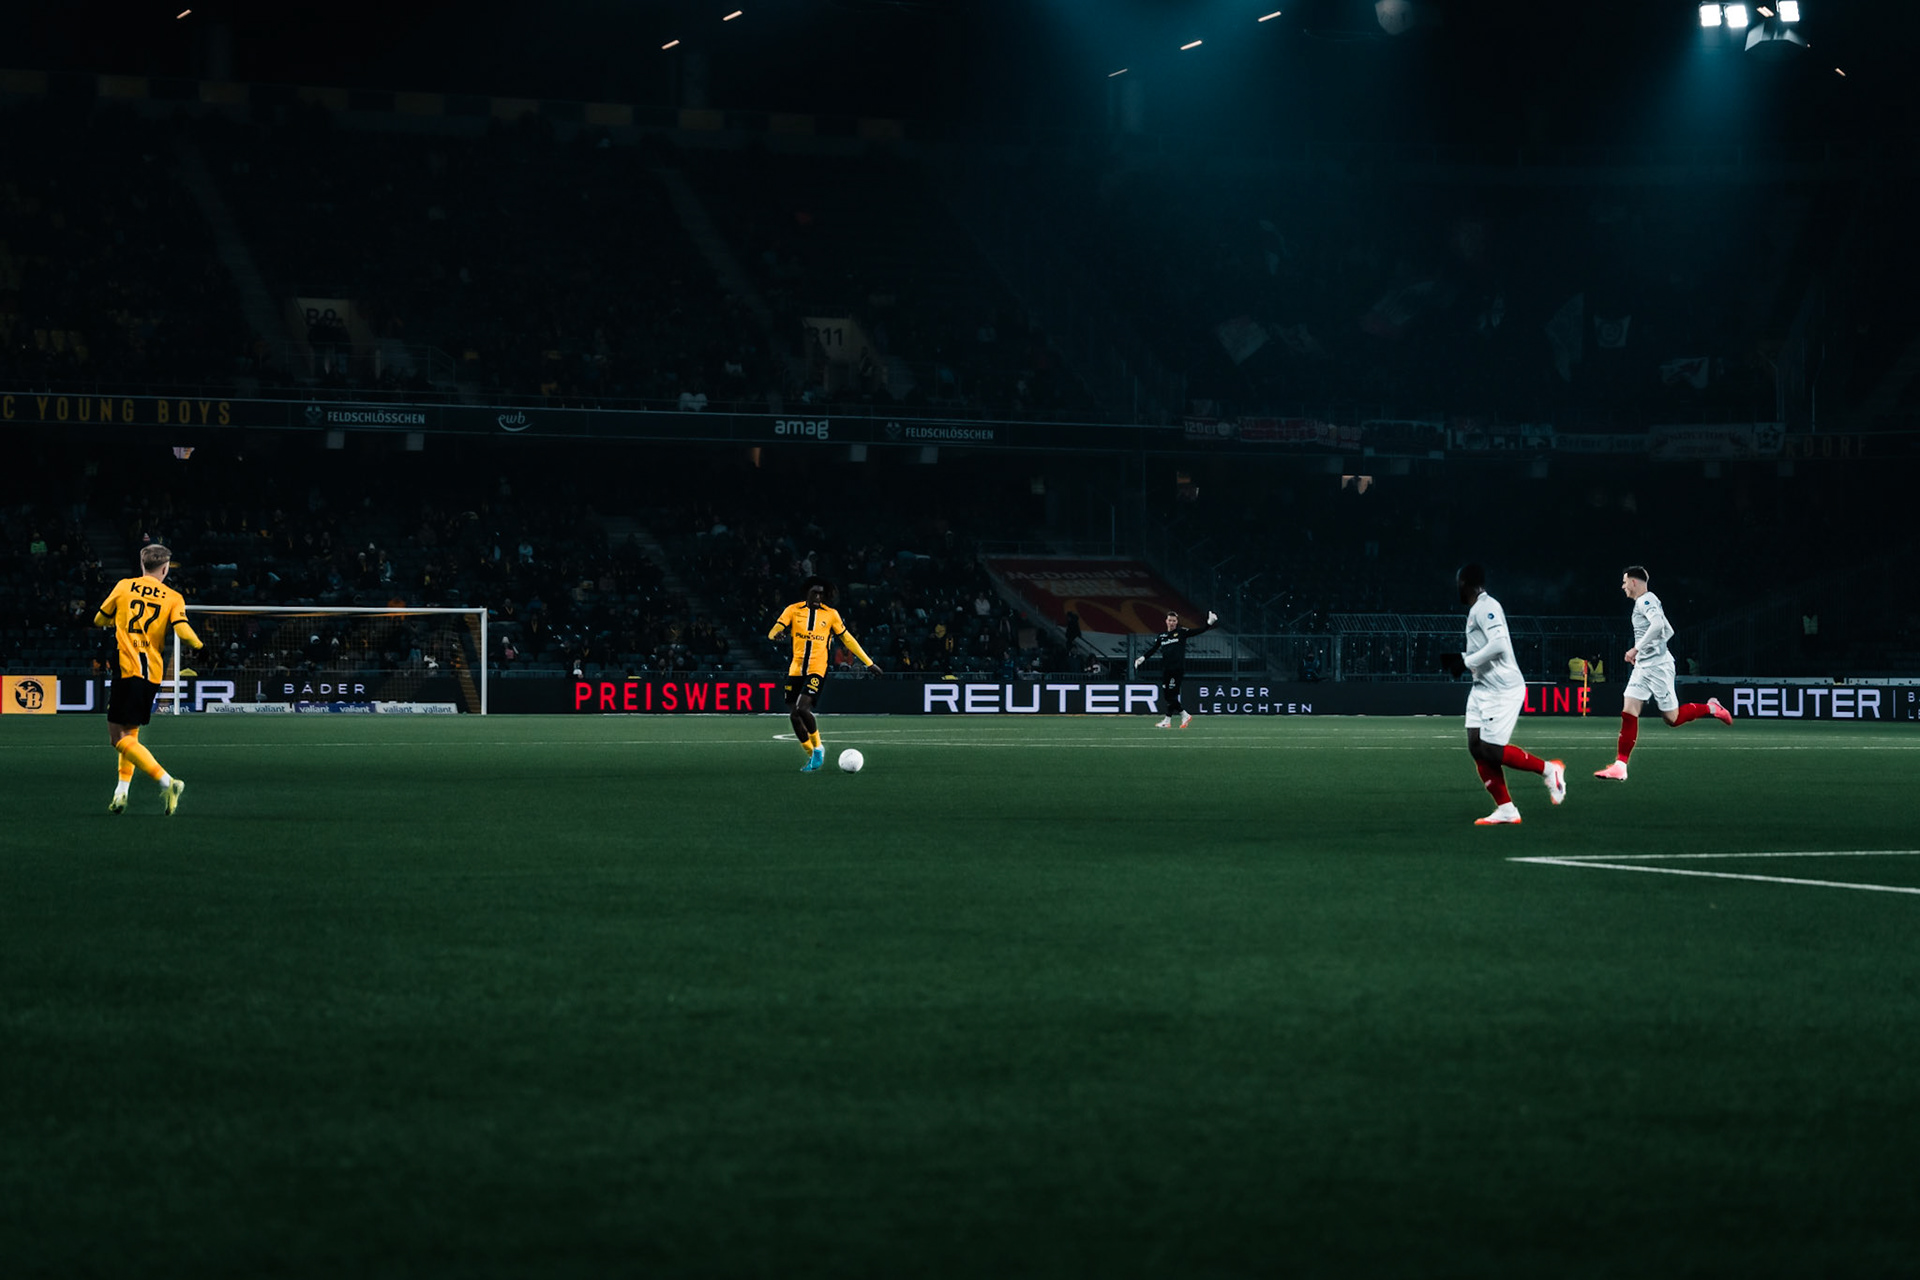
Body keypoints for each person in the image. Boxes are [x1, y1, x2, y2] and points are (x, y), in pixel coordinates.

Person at [1441, 564, 1565, 824]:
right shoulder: (1477, 609)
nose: (1457, 588)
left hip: (1502, 689)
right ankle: (1506, 809)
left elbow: (1498, 645)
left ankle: (1549, 770)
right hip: (1482, 687)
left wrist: (1465, 661)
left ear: (1466, 583)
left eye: (1458, 583)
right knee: (1476, 746)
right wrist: (1464, 658)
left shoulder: (1486, 606)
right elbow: (1487, 647)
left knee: (1492, 750)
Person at [94, 544, 203, 815]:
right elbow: (183, 630)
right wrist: (197, 643)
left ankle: (168, 781)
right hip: (152, 674)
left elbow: (99, 619)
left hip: (128, 668)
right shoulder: (174, 597)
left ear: (142, 565)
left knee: (116, 738)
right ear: (165, 569)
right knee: (130, 734)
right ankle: (121, 793)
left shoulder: (124, 586)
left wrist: (117, 621)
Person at [1594, 566, 1731, 781]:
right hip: (1643, 668)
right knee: (1629, 711)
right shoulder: (1646, 602)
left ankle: (1712, 707)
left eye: (1624, 582)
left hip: (1658, 669)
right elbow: (1668, 630)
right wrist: (1649, 650)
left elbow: (1658, 625)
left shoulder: (1646, 600)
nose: (1622, 586)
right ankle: (1621, 766)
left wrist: (1636, 649)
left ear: (1634, 582)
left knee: (1672, 719)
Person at [767, 576, 879, 773]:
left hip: (818, 668)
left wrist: (869, 663)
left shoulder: (831, 615)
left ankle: (818, 749)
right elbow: (774, 630)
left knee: (803, 708)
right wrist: (777, 634)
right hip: (796, 668)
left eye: (821, 593)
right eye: (814, 592)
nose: (818, 596)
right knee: (794, 716)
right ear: (807, 593)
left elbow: (848, 640)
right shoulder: (793, 610)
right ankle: (812, 754)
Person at [1133, 608, 1218, 729]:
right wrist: (1142, 658)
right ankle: (1172, 719)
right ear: (1166, 621)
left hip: (1177, 669)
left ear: (1177, 622)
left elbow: (1197, 631)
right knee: (1168, 696)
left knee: (1171, 695)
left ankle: (1179, 716)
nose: (1172, 622)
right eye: (1170, 620)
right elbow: (1153, 649)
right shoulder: (1162, 636)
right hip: (1166, 669)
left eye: (1174, 620)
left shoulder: (1181, 632)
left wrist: (1209, 624)